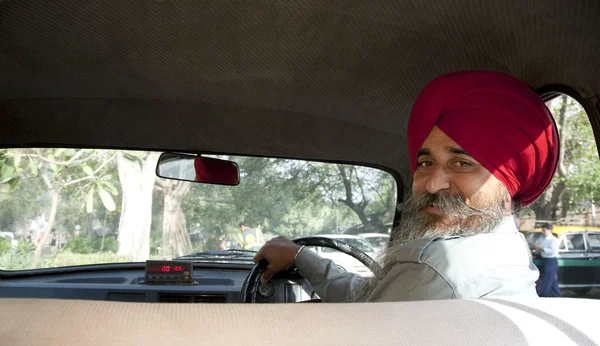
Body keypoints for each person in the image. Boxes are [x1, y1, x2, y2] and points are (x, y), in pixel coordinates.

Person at [254, 70, 560, 302]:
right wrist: (301, 257)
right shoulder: (507, 246)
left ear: (509, 185)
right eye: (425, 163)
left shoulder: (436, 265)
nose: (433, 183)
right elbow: (367, 299)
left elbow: (363, 314)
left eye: (462, 163)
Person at [530, 224, 562, 297]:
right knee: (552, 280)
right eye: (542, 230)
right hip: (544, 259)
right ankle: (558, 296)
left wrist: (541, 249)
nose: (543, 232)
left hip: (551, 260)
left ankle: (542, 295)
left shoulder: (553, 240)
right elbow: (537, 245)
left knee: (547, 280)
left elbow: (552, 251)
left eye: (544, 230)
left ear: (549, 230)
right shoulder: (542, 238)